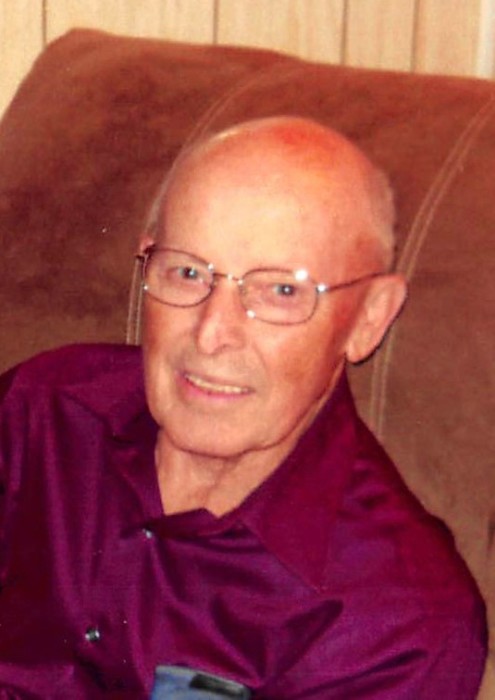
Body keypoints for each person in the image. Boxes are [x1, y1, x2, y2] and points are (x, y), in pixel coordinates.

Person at [0, 116, 486, 698]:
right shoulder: (41, 413)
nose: (211, 334)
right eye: (187, 273)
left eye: (281, 291)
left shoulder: (401, 627)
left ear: (369, 318)